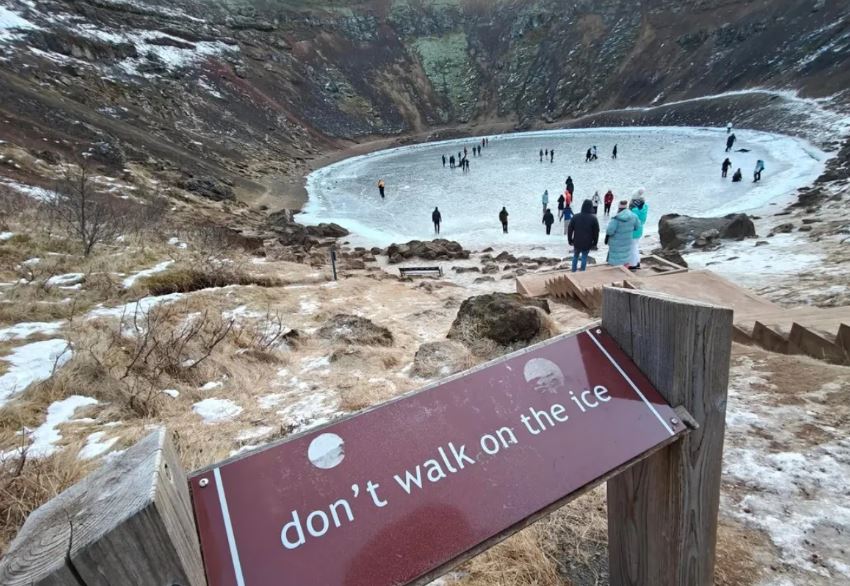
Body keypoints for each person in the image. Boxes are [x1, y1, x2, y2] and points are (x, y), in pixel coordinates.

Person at [568, 199, 600, 272]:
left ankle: (573, 270)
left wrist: (570, 240)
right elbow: (596, 232)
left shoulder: (575, 217)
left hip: (577, 241)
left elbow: (570, 229)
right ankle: (582, 271)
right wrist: (595, 242)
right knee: (584, 257)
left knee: (575, 256)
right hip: (587, 242)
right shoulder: (593, 218)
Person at [605, 200, 639, 266]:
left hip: (616, 244)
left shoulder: (616, 218)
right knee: (625, 258)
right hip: (627, 241)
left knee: (615, 261)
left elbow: (609, 231)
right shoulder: (634, 216)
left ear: (619, 208)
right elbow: (637, 227)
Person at [629, 189, 648, 269]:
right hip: (639, 230)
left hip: (633, 230)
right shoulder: (644, 207)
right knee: (635, 246)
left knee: (632, 247)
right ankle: (637, 262)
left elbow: (630, 220)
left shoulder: (634, 210)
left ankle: (633, 264)